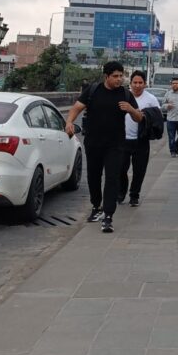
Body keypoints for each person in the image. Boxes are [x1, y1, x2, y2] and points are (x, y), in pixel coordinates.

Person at [65, 61, 139, 234]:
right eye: (115, 76)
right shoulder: (93, 90)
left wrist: (131, 110)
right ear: (106, 76)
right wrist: (69, 122)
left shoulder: (126, 94)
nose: (119, 79)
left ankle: (108, 216)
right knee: (93, 177)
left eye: (121, 76)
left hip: (116, 144)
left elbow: (139, 118)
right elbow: (76, 108)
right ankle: (96, 206)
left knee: (112, 178)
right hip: (93, 143)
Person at [118, 70, 162, 207]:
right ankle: (121, 192)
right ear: (130, 83)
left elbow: (158, 117)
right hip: (123, 140)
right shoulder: (123, 96)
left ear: (145, 84)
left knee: (139, 170)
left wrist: (146, 116)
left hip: (141, 140)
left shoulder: (151, 99)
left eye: (140, 83)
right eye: (135, 82)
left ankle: (134, 195)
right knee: (120, 169)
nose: (137, 85)